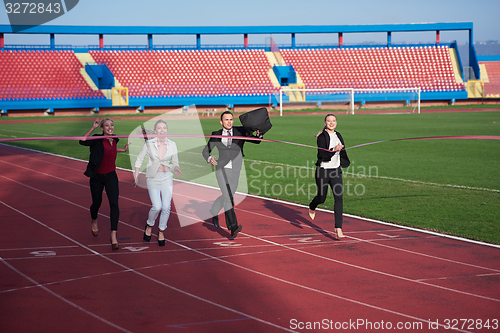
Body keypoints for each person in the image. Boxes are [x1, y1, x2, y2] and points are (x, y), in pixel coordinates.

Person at [202, 111, 261, 238]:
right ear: (221, 122)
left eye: (231, 119)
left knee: (228, 195)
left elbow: (256, 141)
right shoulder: (216, 135)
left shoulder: (240, 131)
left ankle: (213, 210)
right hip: (221, 169)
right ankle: (233, 227)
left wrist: (259, 135)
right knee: (229, 198)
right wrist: (210, 158)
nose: (229, 122)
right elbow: (206, 151)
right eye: (226, 120)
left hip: (235, 169)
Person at [79, 118, 130, 250]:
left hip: (111, 176)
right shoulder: (97, 139)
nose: (110, 127)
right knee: (97, 203)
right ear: (102, 128)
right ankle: (94, 219)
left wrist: (122, 150)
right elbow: (82, 141)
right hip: (97, 177)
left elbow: (110, 151)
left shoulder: (115, 139)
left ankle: (113, 235)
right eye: (106, 126)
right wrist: (93, 128)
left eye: (111, 125)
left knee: (114, 203)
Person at [133, 120, 181, 246]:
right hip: (153, 178)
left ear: (167, 130)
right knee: (157, 206)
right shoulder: (149, 144)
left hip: (167, 177)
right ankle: (149, 225)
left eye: (164, 128)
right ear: (155, 131)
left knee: (166, 206)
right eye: (159, 128)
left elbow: (175, 162)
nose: (162, 130)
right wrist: (136, 176)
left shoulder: (172, 144)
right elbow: (139, 159)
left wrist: (176, 169)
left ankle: (161, 231)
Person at [308, 114, 350, 238]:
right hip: (323, 171)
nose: (331, 123)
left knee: (339, 198)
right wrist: (334, 149)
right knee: (322, 198)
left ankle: (338, 228)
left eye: (333, 121)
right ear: (325, 123)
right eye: (329, 121)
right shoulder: (321, 137)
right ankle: (312, 205)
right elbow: (322, 156)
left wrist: (341, 153)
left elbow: (342, 151)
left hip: (335, 171)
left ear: (336, 122)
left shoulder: (338, 135)